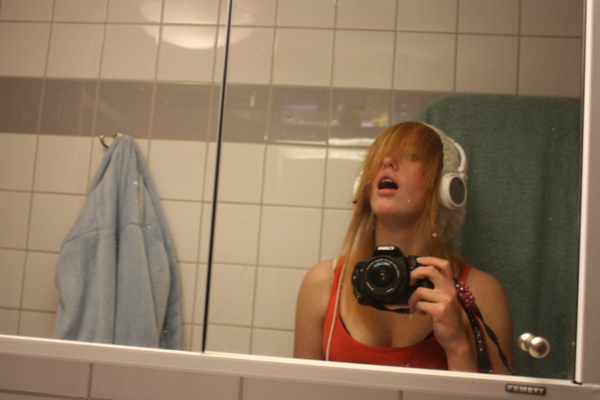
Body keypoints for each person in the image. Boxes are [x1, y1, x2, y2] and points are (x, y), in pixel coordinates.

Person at [294, 122, 513, 374]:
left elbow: (496, 392)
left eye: (411, 155)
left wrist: (457, 345)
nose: (387, 161)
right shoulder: (324, 282)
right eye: (379, 156)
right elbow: (301, 388)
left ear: (444, 186)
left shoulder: (479, 292)